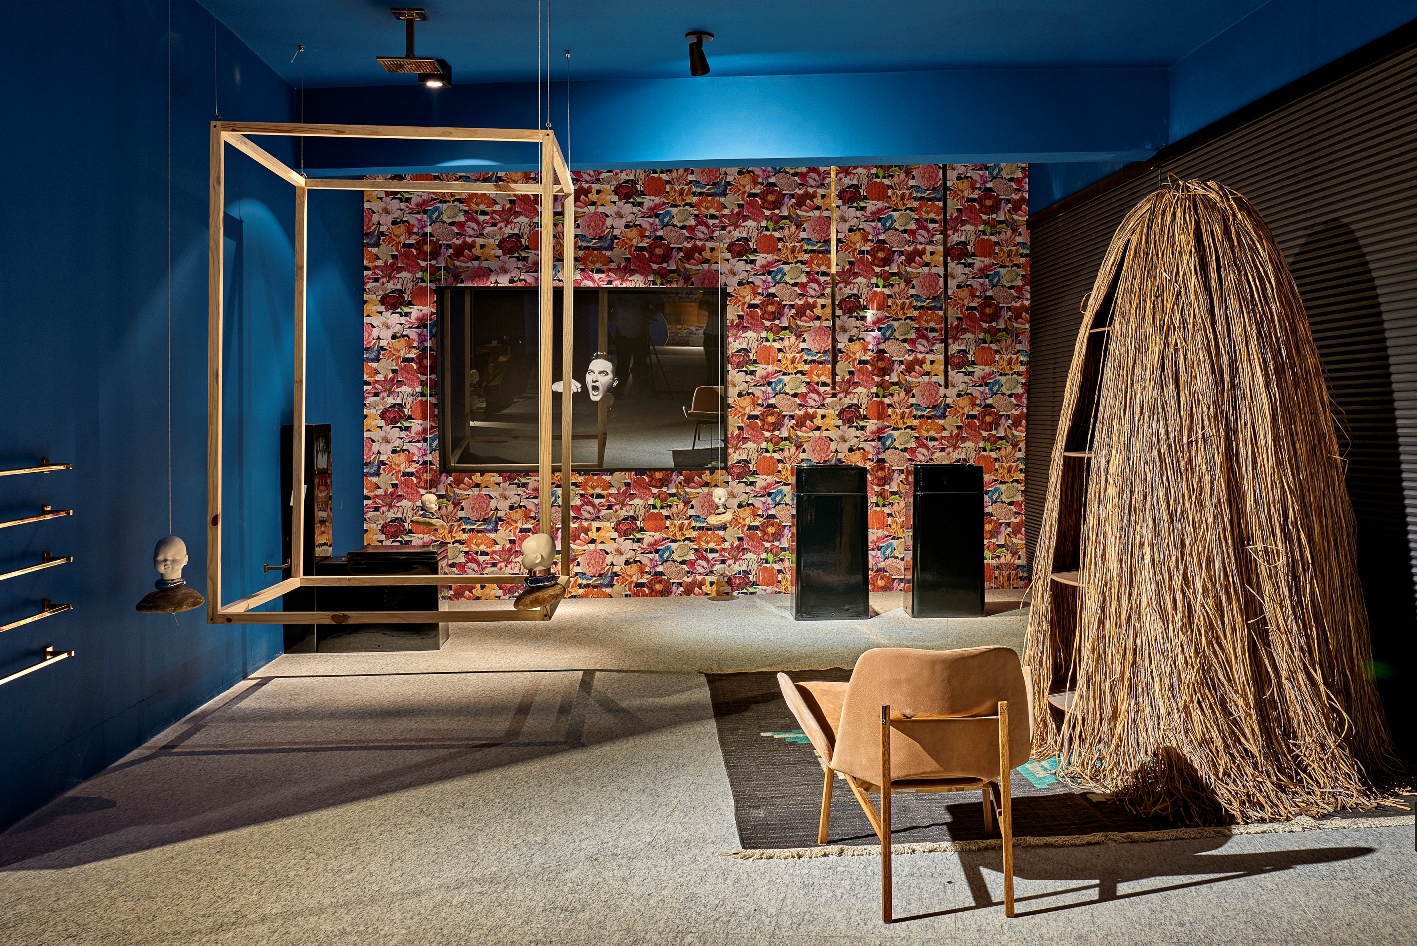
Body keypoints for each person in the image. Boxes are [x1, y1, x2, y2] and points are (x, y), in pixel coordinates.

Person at [612, 293, 654, 397]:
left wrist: (648, 317)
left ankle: (640, 389)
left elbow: (657, 304)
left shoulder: (642, 293)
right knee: (623, 364)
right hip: (624, 332)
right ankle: (619, 389)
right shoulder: (617, 294)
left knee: (640, 363)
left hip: (639, 332)